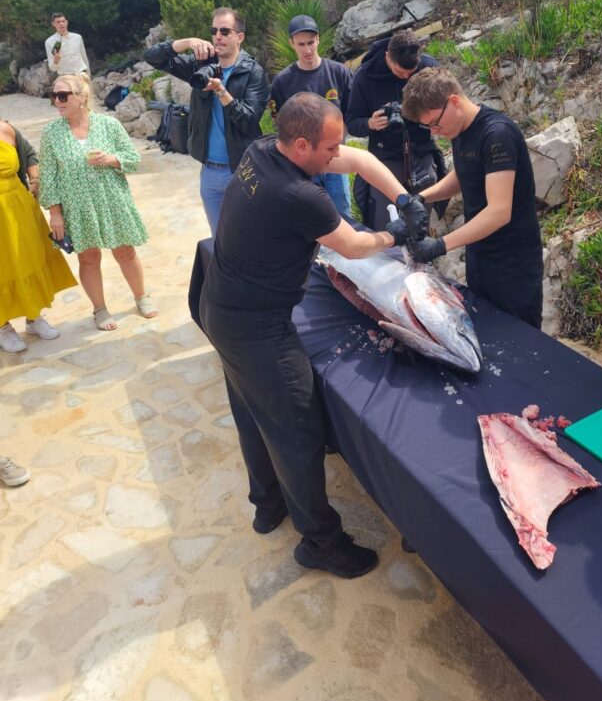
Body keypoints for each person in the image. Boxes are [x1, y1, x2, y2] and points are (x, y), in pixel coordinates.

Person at [198, 93, 429, 578]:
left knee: (250, 409)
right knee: (296, 432)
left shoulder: (264, 149)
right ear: (302, 144)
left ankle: (267, 503)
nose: (334, 157)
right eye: (328, 149)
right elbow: (353, 245)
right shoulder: (299, 195)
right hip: (258, 329)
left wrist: (404, 198)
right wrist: (396, 235)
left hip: (221, 306)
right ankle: (320, 542)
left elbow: (359, 158)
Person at [401, 68, 544, 329]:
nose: (434, 132)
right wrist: (421, 197)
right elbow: (465, 173)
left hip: (513, 264)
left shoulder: (497, 135)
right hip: (480, 254)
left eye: (435, 123)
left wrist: (439, 245)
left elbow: (499, 212)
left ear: (454, 101)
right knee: (487, 331)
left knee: (520, 339)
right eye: (428, 126)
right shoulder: (459, 130)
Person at [39, 74, 157, 331]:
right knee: (89, 258)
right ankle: (100, 309)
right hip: (77, 207)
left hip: (112, 199)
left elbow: (132, 159)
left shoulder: (109, 125)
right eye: (53, 95)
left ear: (82, 98)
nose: (56, 101)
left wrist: (111, 159)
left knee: (125, 252)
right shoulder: (51, 134)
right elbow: (48, 176)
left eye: (62, 95)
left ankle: (141, 297)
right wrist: (55, 213)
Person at [144, 7, 269, 234]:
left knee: (247, 238)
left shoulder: (253, 72)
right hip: (209, 172)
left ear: (239, 37)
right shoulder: (201, 65)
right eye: (213, 31)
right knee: (218, 241)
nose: (217, 36)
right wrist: (187, 42)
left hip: (241, 170)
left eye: (224, 31)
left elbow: (249, 120)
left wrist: (222, 92)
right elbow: (153, 57)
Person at [346, 29, 443, 230]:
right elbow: (352, 121)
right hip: (385, 153)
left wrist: (435, 124)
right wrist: (369, 124)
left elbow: (447, 108)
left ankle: (418, 251)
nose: (406, 78)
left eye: (411, 73)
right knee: (385, 219)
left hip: (421, 149)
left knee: (420, 215)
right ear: (387, 57)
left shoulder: (429, 68)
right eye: (400, 73)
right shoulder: (366, 76)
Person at [0, 119, 76, 353]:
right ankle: (2, 327)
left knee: (27, 261)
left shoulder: (5, 127)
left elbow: (29, 155)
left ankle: (34, 318)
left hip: (18, 207)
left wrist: (34, 179)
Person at [269, 14, 354, 217]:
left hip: (335, 160)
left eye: (310, 42)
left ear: (318, 39)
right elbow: (279, 125)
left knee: (342, 215)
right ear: (291, 44)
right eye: (301, 44)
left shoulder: (339, 73)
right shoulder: (282, 82)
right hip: (302, 165)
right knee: (308, 217)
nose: (307, 50)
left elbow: (352, 114)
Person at [44, 13, 91, 77]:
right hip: (65, 76)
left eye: (63, 21)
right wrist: (56, 61)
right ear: (53, 24)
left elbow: (84, 56)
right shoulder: (50, 42)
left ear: (66, 22)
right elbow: (52, 68)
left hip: (81, 73)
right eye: (58, 22)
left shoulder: (77, 37)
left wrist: (89, 74)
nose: (61, 24)